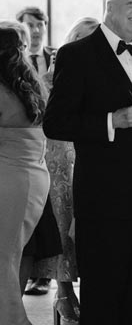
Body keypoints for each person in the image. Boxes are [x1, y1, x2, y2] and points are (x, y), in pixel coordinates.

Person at [43, 0, 132, 325]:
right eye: (131, 3)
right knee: (103, 300)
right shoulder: (77, 55)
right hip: (103, 200)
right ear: (110, 7)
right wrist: (112, 120)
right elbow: (55, 123)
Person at [37, 17, 99, 325]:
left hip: (90, 158)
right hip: (57, 157)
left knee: (88, 228)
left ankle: (92, 291)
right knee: (62, 221)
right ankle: (62, 291)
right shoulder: (50, 79)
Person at [0, 22, 50, 325]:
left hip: (10, 181)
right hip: (31, 180)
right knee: (8, 259)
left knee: (3, 261)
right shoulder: (27, 84)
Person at [17, 6, 61, 297]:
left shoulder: (58, 57)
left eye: (40, 25)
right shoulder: (9, 62)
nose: (36, 31)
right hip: (21, 150)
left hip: (52, 144)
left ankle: (47, 278)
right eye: (30, 25)